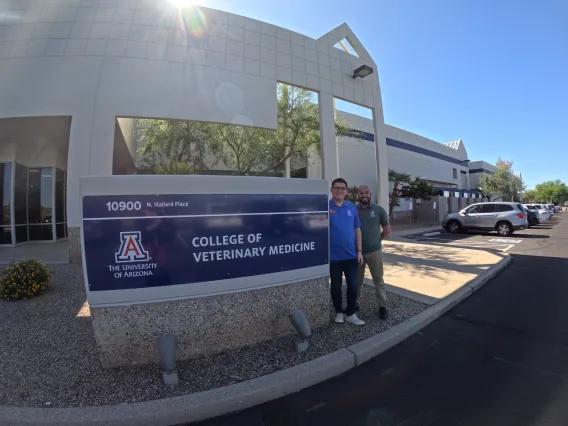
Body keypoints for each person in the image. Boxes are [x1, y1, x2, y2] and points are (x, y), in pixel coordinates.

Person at [329, 177, 365, 326]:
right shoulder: (325, 207)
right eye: (336, 188)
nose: (340, 190)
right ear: (331, 190)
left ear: (347, 191)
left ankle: (350, 313)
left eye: (343, 188)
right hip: (333, 257)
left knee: (353, 285)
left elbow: (357, 229)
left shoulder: (351, 207)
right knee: (336, 287)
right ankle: (339, 311)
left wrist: (360, 251)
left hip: (351, 256)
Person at [356, 185, 391, 319]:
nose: (364, 195)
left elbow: (387, 230)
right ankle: (354, 303)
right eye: (361, 193)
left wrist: (378, 241)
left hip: (374, 252)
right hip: (357, 253)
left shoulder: (379, 210)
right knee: (356, 281)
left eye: (366, 192)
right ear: (358, 195)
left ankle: (382, 306)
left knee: (378, 280)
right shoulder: (353, 210)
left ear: (370, 194)